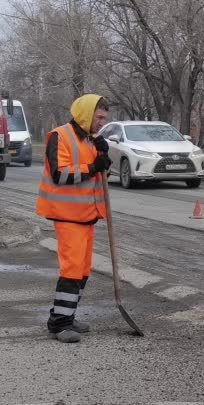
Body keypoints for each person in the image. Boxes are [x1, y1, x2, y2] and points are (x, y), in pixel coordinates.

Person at [36, 94, 112, 343]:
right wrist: (94, 166)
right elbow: (60, 174)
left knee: (82, 271)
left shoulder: (91, 140)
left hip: (87, 216)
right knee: (71, 270)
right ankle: (60, 325)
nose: (102, 122)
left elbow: (99, 178)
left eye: (104, 118)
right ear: (86, 115)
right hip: (68, 216)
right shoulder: (61, 136)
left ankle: (64, 316)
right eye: (99, 117)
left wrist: (103, 160)